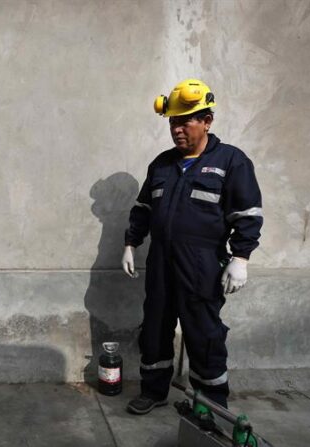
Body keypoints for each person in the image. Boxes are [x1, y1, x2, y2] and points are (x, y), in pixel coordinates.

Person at [121, 79, 263, 414]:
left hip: (201, 262)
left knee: (204, 333)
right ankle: (154, 390)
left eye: (185, 121)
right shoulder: (162, 165)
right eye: (173, 122)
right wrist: (131, 242)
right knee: (154, 328)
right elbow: (143, 209)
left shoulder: (231, 162)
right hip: (161, 260)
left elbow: (247, 213)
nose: (177, 129)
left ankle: (210, 404)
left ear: (207, 121)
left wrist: (240, 257)